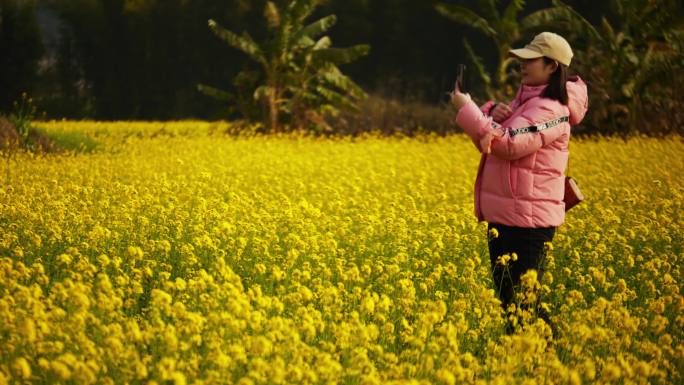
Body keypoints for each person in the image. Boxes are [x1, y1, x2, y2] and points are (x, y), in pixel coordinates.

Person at [449, 32, 589, 339]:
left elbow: (509, 144)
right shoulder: (527, 103)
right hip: (508, 214)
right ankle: (523, 362)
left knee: (523, 302)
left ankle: (549, 359)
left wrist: (468, 109)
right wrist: (487, 111)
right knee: (509, 300)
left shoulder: (552, 108)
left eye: (530, 60)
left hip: (529, 221)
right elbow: (492, 140)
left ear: (552, 66)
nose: (522, 65)